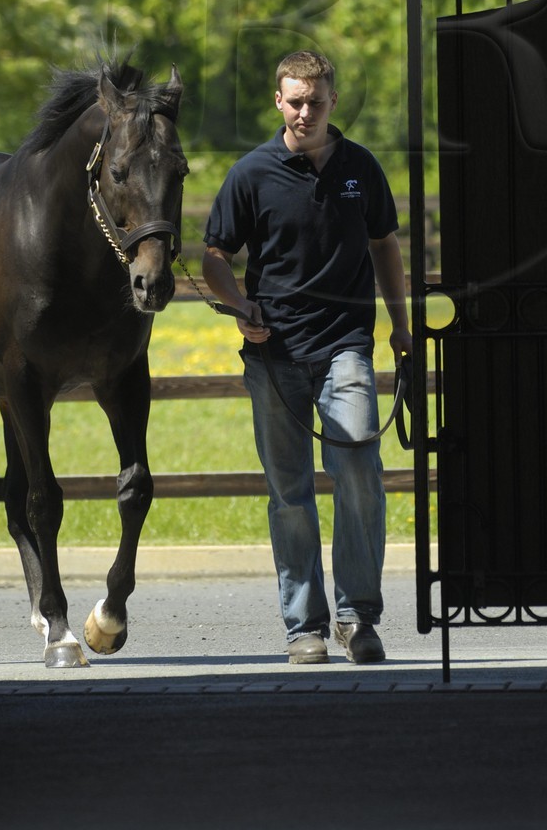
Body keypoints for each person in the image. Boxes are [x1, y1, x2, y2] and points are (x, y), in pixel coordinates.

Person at [200, 49, 412, 665]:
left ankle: (357, 618)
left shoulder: (360, 168)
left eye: (316, 101)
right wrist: (242, 307)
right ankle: (305, 629)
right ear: (278, 102)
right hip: (274, 354)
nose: (305, 112)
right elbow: (215, 257)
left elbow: (385, 246)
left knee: (359, 476)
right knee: (289, 492)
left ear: (333, 103)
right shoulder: (252, 173)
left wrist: (400, 326)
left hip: (345, 345)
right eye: (294, 100)